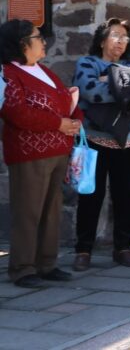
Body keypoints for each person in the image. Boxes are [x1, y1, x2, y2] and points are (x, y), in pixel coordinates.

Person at [1, 21, 83, 288]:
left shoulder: (44, 70)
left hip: (58, 150)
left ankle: (46, 264)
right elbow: (16, 112)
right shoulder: (8, 74)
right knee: (28, 211)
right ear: (22, 43)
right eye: (38, 37)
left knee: (51, 211)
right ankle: (22, 268)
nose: (44, 41)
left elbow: (63, 99)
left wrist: (76, 119)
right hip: (29, 154)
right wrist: (58, 124)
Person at [73, 18, 130, 272]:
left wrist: (108, 80)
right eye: (116, 35)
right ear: (102, 40)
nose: (121, 41)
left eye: (125, 38)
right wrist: (122, 85)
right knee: (90, 196)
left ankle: (123, 248)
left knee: (125, 196)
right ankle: (83, 250)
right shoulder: (87, 63)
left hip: (128, 139)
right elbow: (90, 91)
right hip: (95, 138)